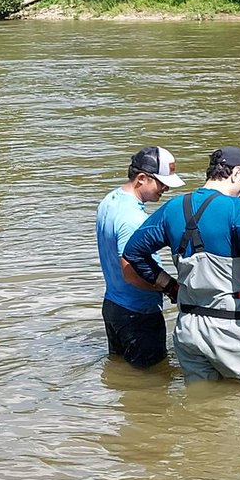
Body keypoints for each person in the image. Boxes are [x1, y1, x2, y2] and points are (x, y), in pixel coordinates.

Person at [122, 146, 240, 384]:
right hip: (232, 328)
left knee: (200, 402)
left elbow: (133, 253)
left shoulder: (174, 207)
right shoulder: (237, 209)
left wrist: (170, 287)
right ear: (237, 173)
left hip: (188, 329)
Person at [96, 145, 185, 369]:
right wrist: (171, 287)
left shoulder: (110, 201)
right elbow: (131, 272)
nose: (165, 188)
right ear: (142, 178)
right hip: (139, 314)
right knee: (153, 382)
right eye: (161, 183)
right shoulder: (132, 218)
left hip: (113, 307)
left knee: (126, 378)